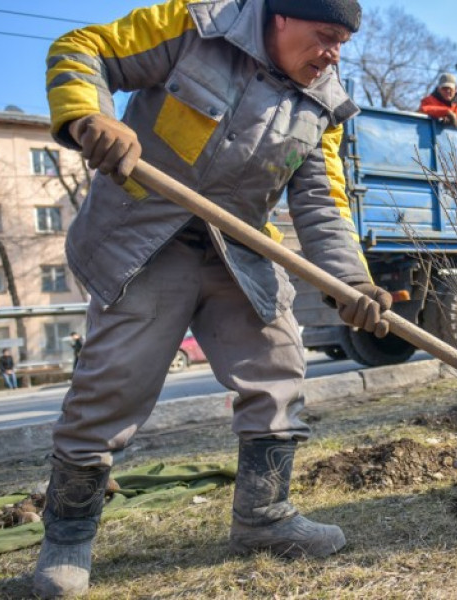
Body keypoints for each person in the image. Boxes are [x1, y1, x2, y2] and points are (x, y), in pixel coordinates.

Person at [34, 0, 390, 597]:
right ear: (279, 17)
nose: (332, 54)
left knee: (279, 370)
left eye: (342, 44)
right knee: (112, 386)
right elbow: (80, 47)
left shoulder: (323, 101)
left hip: (240, 248)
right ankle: (68, 537)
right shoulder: (195, 25)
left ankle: (263, 518)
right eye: (325, 36)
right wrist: (90, 117)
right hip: (143, 235)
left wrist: (350, 282)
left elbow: (323, 203)